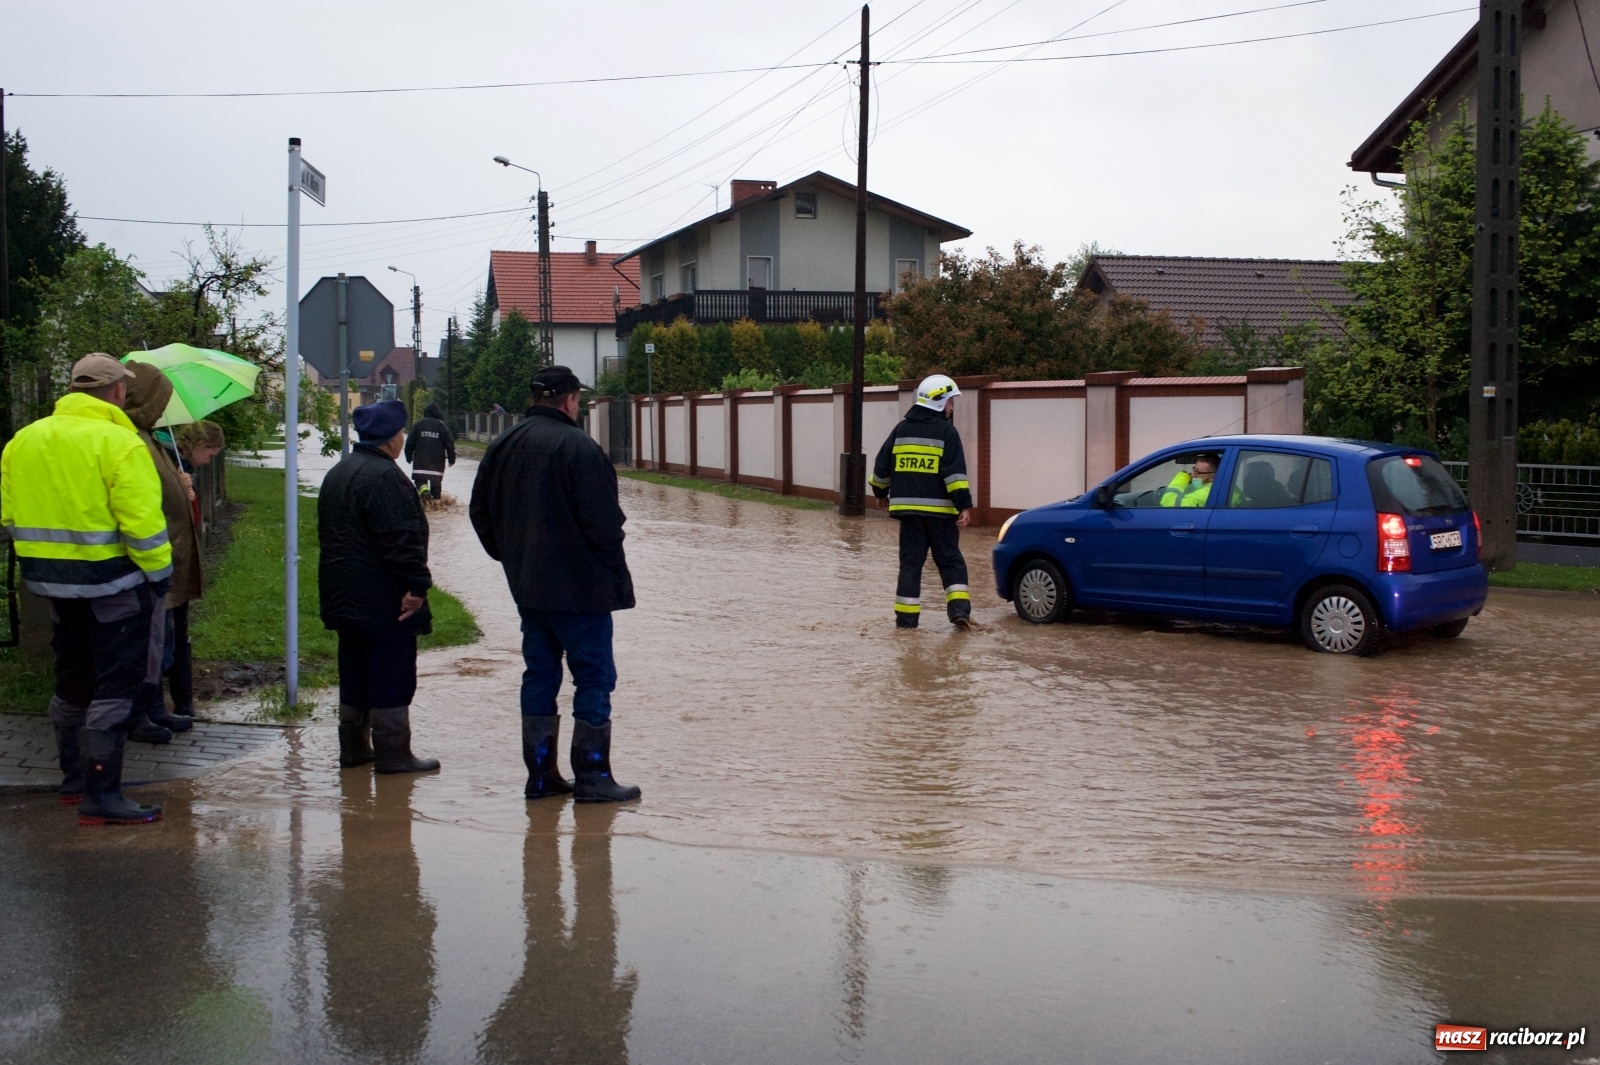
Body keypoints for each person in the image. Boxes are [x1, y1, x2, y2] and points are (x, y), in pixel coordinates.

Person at [0, 354, 171, 825]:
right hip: (114, 584)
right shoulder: (120, 443)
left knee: (72, 679)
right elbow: (142, 526)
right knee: (115, 686)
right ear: (117, 391)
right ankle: (103, 794)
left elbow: (10, 517)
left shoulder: (23, 440)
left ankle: (73, 781)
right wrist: (159, 575)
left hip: (51, 584)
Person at [470, 365, 640, 803]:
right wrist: (610, 575)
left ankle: (542, 775)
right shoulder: (580, 448)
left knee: (540, 674)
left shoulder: (501, 445)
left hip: (529, 587)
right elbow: (605, 526)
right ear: (568, 400)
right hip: (582, 591)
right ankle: (593, 776)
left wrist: (511, 557)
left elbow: (479, 514)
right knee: (594, 677)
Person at [318, 399, 439, 775]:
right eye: (401, 433)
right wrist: (416, 586)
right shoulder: (386, 478)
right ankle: (393, 754)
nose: (403, 438)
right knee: (392, 673)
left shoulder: (340, 472)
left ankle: (353, 747)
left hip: (343, 593)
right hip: (383, 598)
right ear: (390, 439)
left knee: (354, 670)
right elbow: (401, 540)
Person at [121, 363, 204, 742]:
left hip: (168, 558)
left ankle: (156, 707)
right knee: (153, 641)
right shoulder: (129, 440)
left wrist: (180, 482)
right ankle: (144, 709)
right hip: (152, 561)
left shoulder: (149, 438)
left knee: (165, 639)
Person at [869, 374, 974, 631]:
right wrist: (964, 505)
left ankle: (906, 623)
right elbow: (955, 476)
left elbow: (881, 468)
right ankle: (960, 614)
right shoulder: (947, 433)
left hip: (909, 515)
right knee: (950, 561)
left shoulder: (901, 430)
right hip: (941, 515)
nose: (951, 408)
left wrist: (880, 494)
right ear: (939, 402)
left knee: (910, 565)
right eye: (950, 402)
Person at [403, 402, 455, 500]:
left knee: (420, 481)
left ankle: (425, 492)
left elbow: (410, 442)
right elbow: (450, 444)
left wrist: (408, 456)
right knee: (436, 485)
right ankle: (436, 503)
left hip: (420, 462)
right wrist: (451, 459)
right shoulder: (442, 426)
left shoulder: (419, 424)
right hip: (437, 463)